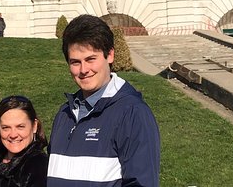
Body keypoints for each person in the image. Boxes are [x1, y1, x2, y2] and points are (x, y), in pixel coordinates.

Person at [47, 14, 160, 187]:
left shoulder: (133, 113)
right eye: (75, 62)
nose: (84, 70)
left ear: (110, 55)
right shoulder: (64, 114)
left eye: (91, 59)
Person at [0, 96, 48, 187]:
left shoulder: (38, 167)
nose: (13, 135)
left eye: (20, 127)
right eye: (6, 128)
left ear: (34, 126)